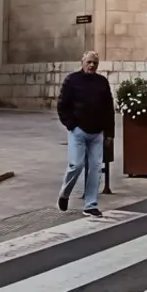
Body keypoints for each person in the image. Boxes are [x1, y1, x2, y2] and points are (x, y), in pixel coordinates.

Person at [56, 51, 115, 217]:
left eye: (95, 63)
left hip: (97, 133)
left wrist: (109, 133)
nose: (91, 65)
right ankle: (65, 194)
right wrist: (71, 125)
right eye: (89, 62)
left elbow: (109, 109)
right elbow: (62, 105)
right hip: (78, 130)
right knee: (76, 164)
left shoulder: (102, 82)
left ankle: (91, 204)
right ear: (82, 62)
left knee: (95, 168)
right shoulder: (72, 80)